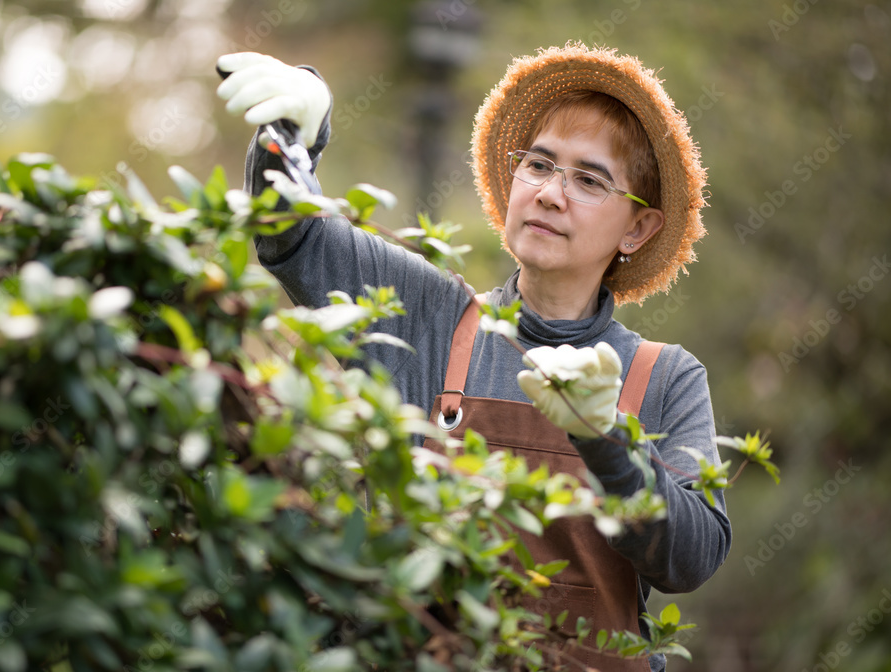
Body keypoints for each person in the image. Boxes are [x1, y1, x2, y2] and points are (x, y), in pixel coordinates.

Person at [217, 42, 731, 672]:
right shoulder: (430, 313)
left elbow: (692, 558)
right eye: (539, 165)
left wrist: (608, 441)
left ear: (637, 230)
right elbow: (291, 233)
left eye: (589, 180)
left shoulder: (666, 378)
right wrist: (300, 129)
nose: (549, 193)